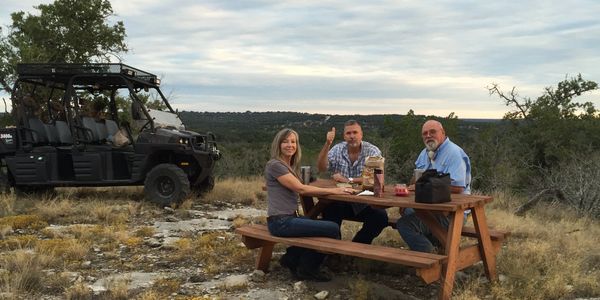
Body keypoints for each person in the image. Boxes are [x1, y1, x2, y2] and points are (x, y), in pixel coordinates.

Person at [265, 128, 353, 281]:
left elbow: (298, 184)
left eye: (293, 142)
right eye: (285, 141)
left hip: (286, 219)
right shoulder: (275, 165)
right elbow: (300, 188)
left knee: (320, 224)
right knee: (332, 229)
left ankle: (291, 258)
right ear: (278, 145)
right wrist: (336, 191)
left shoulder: (288, 166)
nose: (290, 145)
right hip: (281, 222)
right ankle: (308, 268)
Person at [396, 120, 471, 253]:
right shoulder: (425, 152)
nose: (428, 136)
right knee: (407, 212)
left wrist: (423, 186)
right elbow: (416, 177)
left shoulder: (454, 153)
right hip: (429, 207)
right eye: (425, 133)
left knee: (405, 224)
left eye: (432, 132)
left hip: (452, 213)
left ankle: (431, 258)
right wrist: (408, 192)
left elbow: (458, 187)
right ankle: (436, 246)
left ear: (443, 133)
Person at [316, 120, 389, 244]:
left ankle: (357, 246)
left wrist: (348, 180)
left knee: (380, 217)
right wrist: (327, 144)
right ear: (344, 136)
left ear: (361, 134)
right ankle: (332, 250)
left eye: (355, 132)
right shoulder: (337, 149)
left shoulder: (372, 151)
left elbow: (375, 177)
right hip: (341, 200)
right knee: (329, 212)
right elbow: (322, 168)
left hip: (364, 203)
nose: (352, 136)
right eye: (348, 133)